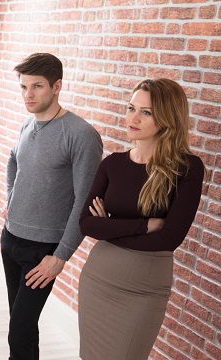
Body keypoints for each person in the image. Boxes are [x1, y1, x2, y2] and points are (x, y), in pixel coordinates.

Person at [78, 79, 204, 360]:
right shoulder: (112, 164)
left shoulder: (186, 168)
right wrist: (144, 225)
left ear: (168, 118)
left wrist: (109, 226)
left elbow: (169, 239)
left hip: (143, 288)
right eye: (131, 108)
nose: (132, 118)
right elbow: (86, 223)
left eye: (146, 112)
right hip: (98, 278)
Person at [1, 53, 103, 360]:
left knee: (18, 332)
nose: (28, 95)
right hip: (11, 239)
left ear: (57, 86)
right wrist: (10, 199)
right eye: (23, 87)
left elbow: (84, 202)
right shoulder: (27, 124)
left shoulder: (81, 135)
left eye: (37, 86)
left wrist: (60, 257)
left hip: (42, 250)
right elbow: (13, 160)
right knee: (22, 326)